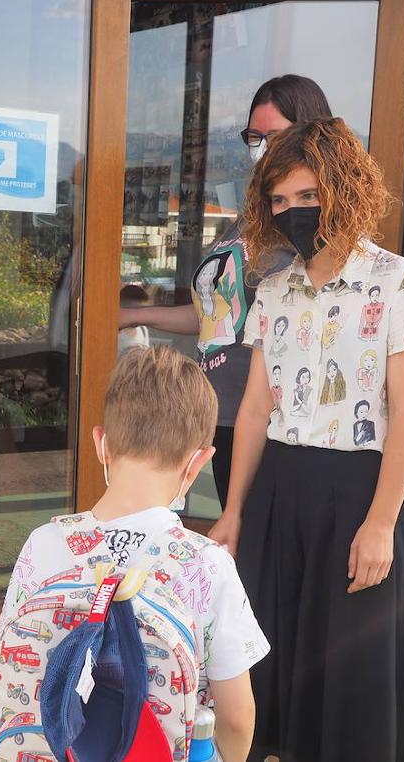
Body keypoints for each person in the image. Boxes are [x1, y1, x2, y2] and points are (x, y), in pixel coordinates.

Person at [209, 119, 404, 761]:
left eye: (307, 197)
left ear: (343, 191)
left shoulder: (401, 282)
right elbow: (255, 408)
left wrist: (382, 524)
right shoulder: (275, 290)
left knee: (349, 668)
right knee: (269, 655)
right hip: (279, 488)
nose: (292, 213)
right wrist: (234, 512)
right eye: (279, 201)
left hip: (358, 491)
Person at [0, 347, 270, 762]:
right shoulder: (208, 564)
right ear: (199, 462)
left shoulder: (44, 542)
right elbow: (238, 718)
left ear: (101, 445)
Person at [118, 74, 333, 508]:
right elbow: (217, 316)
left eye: (273, 136)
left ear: (308, 135)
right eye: (253, 137)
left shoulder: (310, 223)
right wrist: (136, 315)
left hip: (270, 423)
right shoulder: (251, 220)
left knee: (254, 551)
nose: (261, 149)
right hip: (220, 413)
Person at [117, 284, 152, 352]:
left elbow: (146, 351)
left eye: (144, 312)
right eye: (135, 313)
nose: (140, 317)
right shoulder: (113, 334)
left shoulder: (143, 330)